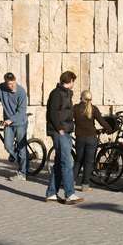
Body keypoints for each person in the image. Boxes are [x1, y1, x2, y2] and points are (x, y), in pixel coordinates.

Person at [45, 71, 83, 204]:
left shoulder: (65, 93)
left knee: (59, 164)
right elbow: (53, 113)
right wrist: (59, 128)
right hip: (60, 132)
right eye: (74, 81)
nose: (74, 84)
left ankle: (51, 193)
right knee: (67, 162)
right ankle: (69, 194)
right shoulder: (57, 93)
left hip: (65, 131)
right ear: (71, 80)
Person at [0, 72, 28, 181]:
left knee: (22, 149)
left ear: (15, 81)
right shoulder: (0, 89)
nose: (11, 86)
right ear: (5, 82)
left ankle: (23, 173)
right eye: (9, 84)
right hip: (8, 123)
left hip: (20, 122)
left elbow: (22, 112)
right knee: (8, 146)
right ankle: (22, 160)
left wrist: (10, 120)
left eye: (12, 84)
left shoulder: (21, 92)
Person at [72, 90, 112, 192]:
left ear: (81, 97)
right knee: (89, 162)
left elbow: (69, 120)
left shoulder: (75, 108)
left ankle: (70, 183)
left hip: (80, 138)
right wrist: (109, 129)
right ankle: (85, 186)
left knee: (78, 161)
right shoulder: (93, 109)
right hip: (91, 138)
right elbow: (102, 121)